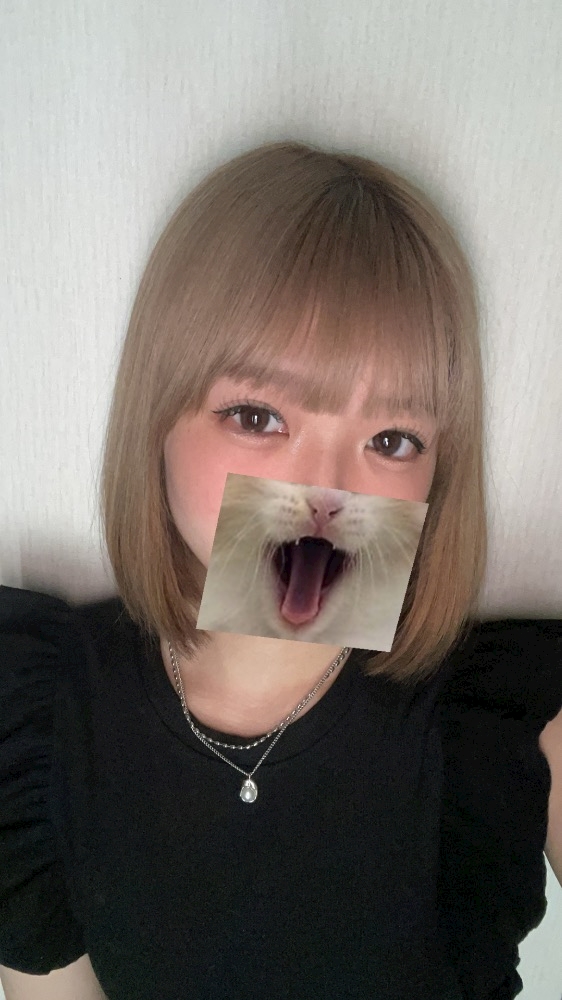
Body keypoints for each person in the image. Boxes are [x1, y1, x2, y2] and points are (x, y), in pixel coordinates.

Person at [1, 140, 561, 1000]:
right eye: (257, 416)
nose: (325, 491)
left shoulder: (492, 719)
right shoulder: (35, 716)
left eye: (392, 439)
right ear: (156, 419)